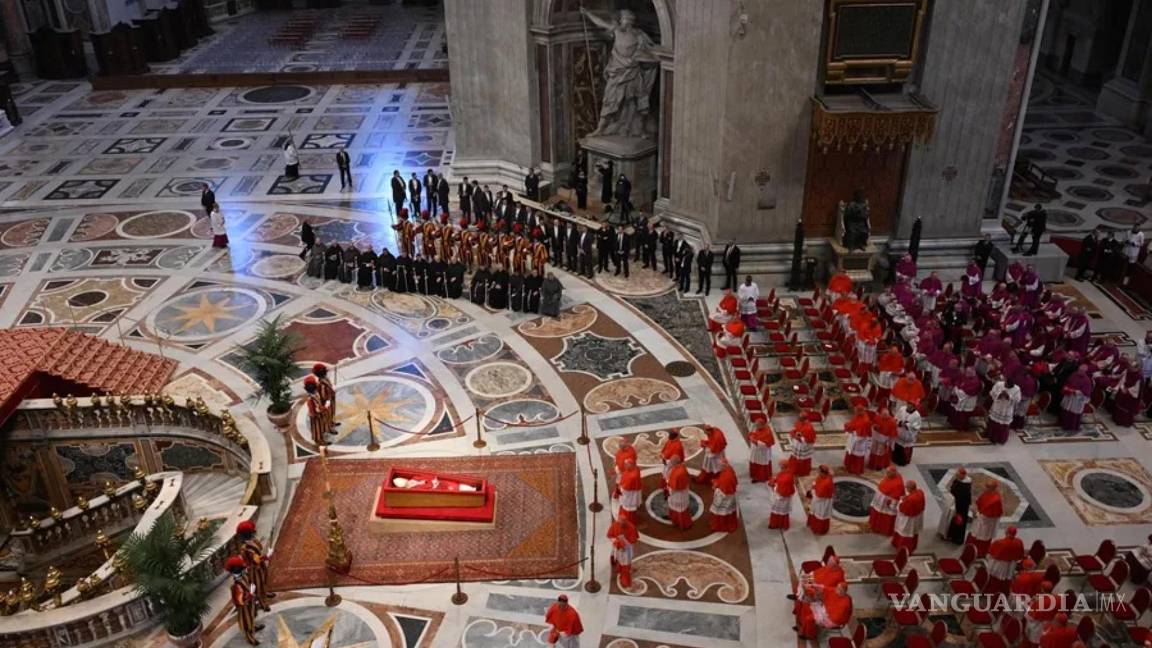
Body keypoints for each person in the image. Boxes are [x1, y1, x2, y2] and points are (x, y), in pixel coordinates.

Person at [237, 520, 274, 612]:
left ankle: (265, 593)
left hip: (260, 566)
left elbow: (260, 548)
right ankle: (263, 603)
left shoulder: (253, 541)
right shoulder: (245, 548)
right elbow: (255, 559)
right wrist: (267, 556)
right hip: (254, 569)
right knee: (259, 585)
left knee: (264, 581)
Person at [226, 555, 262, 645]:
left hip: (250, 603)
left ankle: (253, 627)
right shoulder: (236, 586)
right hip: (244, 607)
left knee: (252, 616)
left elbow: (249, 569)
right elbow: (240, 601)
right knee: (247, 621)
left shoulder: (243, 577)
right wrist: (250, 594)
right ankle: (250, 637)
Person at [967, 480, 1003, 557]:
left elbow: (991, 514)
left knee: (982, 536)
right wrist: (976, 511)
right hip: (981, 517)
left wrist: (976, 514)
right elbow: (980, 502)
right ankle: (970, 548)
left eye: (987, 487)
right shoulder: (987, 492)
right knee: (975, 533)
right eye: (986, 486)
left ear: (992, 488)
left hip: (987, 522)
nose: (985, 488)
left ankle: (979, 553)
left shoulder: (996, 500)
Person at [985, 526, 1025, 594]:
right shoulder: (1019, 542)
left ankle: (992, 591)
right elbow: (1021, 555)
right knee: (1007, 579)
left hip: (1000, 564)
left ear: (1006, 532)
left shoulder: (999, 542)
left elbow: (991, 553)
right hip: (1011, 564)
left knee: (995, 578)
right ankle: (1004, 592)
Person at [869, 466, 905, 536]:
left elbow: (896, 497)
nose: (886, 474)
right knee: (877, 512)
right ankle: (875, 526)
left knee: (885, 517)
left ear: (893, 474)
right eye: (887, 472)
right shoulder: (889, 476)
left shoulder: (898, 484)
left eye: (888, 473)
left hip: (886, 503)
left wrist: (890, 504)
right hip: (880, 499)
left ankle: (883, 529)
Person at [891, 481, 925, 552]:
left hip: (908, 520)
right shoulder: (920, 492)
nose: (906, 489)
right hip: (917, 517)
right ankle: (913, 545)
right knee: (913, 532)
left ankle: (901, 546)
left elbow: (901, 509)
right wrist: (906, 498)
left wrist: (901, 501)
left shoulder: (910, 500)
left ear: (910, 488)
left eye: (906, 487)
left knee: (905, 532)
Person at [607, 515, 638, 588]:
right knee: (618, 559)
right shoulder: (615, 525)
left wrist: (624, 541)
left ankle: (625, 580)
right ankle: (619, 569)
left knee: (625, 565)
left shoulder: (631, 527)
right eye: (620, 522)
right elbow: (609, 535)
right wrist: (616, 540)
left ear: (626, 521)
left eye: (623, 522)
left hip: (626, 551)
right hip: (617, 548)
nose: (620, 524)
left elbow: (633, 540)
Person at [1059, 363, 1093, 431]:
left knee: (1073, 413)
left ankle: (1072, 427)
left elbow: (1085, 393)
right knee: (1066, 410)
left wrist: (1074, 391)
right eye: (1079, 370)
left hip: (1077, 399)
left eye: (1081, 370)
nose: (1079, 371)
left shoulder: (1087, 380)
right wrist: (1066, 387)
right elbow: (1068, 382)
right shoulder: (1074, 374)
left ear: (1085, 371)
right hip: (1069, 395)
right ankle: (1064, 424)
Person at [708, 460, 739, 532]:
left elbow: (725, 490)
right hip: (726, 494)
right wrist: (717, 483)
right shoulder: (728, 470)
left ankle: (720, 527)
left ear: (724, 465)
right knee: (724, 511)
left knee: (721, 511)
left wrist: (716, 487)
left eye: (720, 466)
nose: (719, 467)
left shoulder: (728, 476)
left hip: (725, 497)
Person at [987, 377, 1021, 444]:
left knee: (1003, 426)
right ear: (1005, 382)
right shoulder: (999, 384)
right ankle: (992, 437)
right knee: (994, 423)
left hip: (1007, 410)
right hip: (997, 407)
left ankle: (1001, 439)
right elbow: (991, 393)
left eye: (1010, 386)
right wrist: (999, 394)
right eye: (1007, 385)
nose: (1007, 387)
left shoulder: (1017, 389)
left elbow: (1017, 400)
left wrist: (1008, 397)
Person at [665, 455, 692, 530]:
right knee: (674, 507)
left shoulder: (679, 473)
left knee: (680, 510)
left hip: (678, 493)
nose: (669, 463)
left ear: (674, 462)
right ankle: (673, 518)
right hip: (678, 491)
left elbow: (674, 486)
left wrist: (668, 485)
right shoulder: (681, 467)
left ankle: (683, 524)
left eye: (671, 462)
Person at [806, 464, 835, 535]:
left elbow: (819, 495)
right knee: (814, 512)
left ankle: (818, 529)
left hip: (822, 502)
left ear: (823, 473)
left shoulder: (827, 483)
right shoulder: (823, 476)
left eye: (819, 472)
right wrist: (813, 486)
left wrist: (812, 492)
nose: (818, 473)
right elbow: (816, 482)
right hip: (819, 499)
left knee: (820, 515)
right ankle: (812, 525)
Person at [842, 406, 871, 475]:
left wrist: (853, 432)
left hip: (859, 440)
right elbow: (853, 423)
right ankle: (849, 467)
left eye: (856, 411)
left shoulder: (865, 420)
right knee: (851, 452)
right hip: (854, 437)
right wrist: (848, 426)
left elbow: (863, 432)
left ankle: (856, 469)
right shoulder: (857, 416)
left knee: (857, 454)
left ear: (860, 411)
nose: (855, 412)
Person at [867, 407, 897, 471]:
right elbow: (873, 423)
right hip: (876, 437)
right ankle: (872, 464)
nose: (883, 417)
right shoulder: (878, 417)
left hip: (884, 440)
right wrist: (875, 427)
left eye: (885, 416)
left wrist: (890, 442)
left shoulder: (892, 422)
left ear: (888, 415)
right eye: (882, 415)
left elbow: (893, 434)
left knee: (880, 452)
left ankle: (879, 465)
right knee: (873, 450)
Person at [616, 458, 642, 522]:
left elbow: (625, 488)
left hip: (629, 494)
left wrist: (619, 489)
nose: (625, 466)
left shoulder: (632, 476)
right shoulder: (636, 468)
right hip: (633, 491)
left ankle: (628, 520)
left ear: (631, 465)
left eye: (626, 464)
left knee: (628, 507)